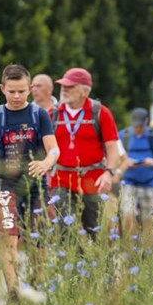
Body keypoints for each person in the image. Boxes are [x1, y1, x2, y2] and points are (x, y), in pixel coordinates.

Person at [0, 64, 58, 305]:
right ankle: (13, 294)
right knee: (9, 238)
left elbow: (54, 149)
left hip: (36, 186)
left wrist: (46, 163)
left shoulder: (39, 115)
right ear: (3, 89)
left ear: (30, 89)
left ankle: (36, 287)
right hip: (6, 185)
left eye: (21, 91)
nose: (16, 97)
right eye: (11, 91)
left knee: (39, 241)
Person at [50, 68, 120, 241]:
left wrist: (109, 173)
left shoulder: (101, 113)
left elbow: (112, 148)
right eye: (62, 86)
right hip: (61, 178)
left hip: (92, 179)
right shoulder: (53, 114)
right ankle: (72, 266)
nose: (64, 90)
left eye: (69, 87)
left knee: (94, 230)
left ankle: (92, 264)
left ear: (84, 91)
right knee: (65, 227)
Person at [118, 108, 153, 249]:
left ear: (146, 123)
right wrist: (125, 163)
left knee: (149, 219)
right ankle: (130, 248)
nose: (137, 129)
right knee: (127, 215)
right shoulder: (123, 135)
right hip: (128, 182)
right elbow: (115, 157)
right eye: (135, 126)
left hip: (149, 183)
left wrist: (151, 162)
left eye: (140, 126)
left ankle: (147, 251)